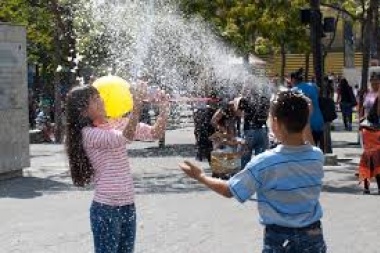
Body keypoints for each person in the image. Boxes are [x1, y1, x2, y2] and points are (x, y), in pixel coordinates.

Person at [179, 90, 326, 253]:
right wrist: (305, 119)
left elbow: (230, 190)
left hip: (279, 239)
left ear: (275, 124)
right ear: (306, 120)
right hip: (313, 235)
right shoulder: (316, 156)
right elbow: (309, 143)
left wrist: (201, 176)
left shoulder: (265, 162)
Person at [64, 84, 169, 253]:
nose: (101, 100)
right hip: (106, 209)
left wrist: (164, 109)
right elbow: (125, 138)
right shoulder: (88, 134)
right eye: (94, 99)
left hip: (128, 205)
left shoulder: (117, 123)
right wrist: (137, 106)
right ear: (83, 111)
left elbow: (154, 133)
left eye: (99, 96)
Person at [358, 72, 380, 194]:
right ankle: (366, 186)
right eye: (372, 81)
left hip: (377, 129)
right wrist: (361, 119)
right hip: (367, 128)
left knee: (376, 157)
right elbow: (363, 109)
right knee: (368, 156)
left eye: (376, 81)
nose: (374, 83)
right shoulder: (368, 94)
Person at [236, 93, 270, 169]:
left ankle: (246, 178)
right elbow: (267, 113)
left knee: (245, 159)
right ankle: (260, 177)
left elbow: (238, 113)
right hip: (262, 131)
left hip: (249, 132)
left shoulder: (245, 98)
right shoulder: (264, 99)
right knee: (260, 159)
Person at [291, 68, 323, 149]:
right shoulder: (312, 86)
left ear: (293, 79)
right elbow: (318, 90)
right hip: (318, 121)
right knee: (316, 147)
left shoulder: (294, 90)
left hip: (305, 124)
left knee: (306, 150)